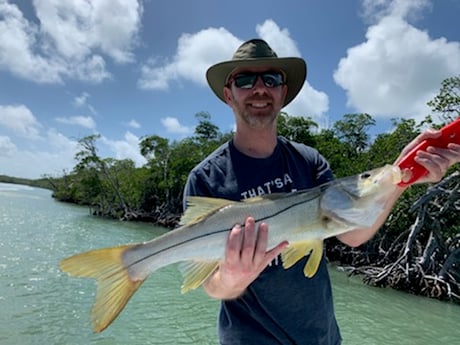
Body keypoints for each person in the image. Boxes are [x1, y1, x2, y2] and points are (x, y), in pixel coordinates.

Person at [183, 38, 460, 345]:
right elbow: (211, 284)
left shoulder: (309, 161)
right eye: (245, 80)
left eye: (271, 79)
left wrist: (402, 176)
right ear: (228, 94)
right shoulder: (205, 178)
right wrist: (232, 279)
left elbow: (351, 233)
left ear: (282, 92)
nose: (259, 89)